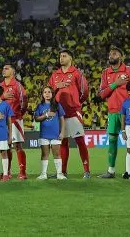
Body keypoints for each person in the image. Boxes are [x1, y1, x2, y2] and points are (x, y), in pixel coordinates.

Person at [96, 47, 130, 179]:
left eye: (114, 53)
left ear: (121, 56)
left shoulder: (129, 70)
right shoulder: (105, 73)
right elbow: (102, 94)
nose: (111, 55)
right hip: (113, 111)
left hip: (129, 112)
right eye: (110, 53)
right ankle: (111, 171)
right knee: (112, 140)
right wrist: (115, 84)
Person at [48, 49, 91, 178]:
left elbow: (85, 92)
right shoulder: (55, 75)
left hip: (73, 112)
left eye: (64, 56)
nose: (61, 58)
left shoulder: (77, 73)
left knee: (80, 141)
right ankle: (63, 172)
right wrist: (57, 87)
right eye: (60, 56)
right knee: (63, 142)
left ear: (70, 58)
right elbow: (48, 92)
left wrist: (76, 103)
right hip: (60, 114)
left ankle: (86, 171)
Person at [0, 64, 28, 179]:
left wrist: (19, 114)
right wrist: (3, 96)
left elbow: (24, 101)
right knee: (6, 147)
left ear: (13, 71)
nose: (4, 70)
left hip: (15, 119)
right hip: (2, 121)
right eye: (3, 68)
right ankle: (7, 172)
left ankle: (22, 172)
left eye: (7, 68)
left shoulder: (18, 86)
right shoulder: (0, 86)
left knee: (17, 145)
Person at [34, 85, 66, 180]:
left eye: (49, 92)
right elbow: (36, 119)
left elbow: (62, 119)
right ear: (42, 95)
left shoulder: (57, 105)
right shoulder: (40, 106)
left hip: (55, 134)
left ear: (52, 94)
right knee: (44, 154)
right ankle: (43, 174)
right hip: (44, 134)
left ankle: (59, 174)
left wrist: (62, 132)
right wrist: (46, 115)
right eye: (45, 92)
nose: (47, 94)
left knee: (57, 154)